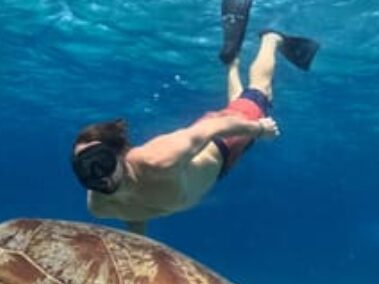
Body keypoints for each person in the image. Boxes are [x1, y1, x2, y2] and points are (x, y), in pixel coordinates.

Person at [70, 0, 319, 235]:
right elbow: (134, 213)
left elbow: (213, 127)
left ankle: (271, 38)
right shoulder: (101, 205)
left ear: (120, 153)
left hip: (224, 142)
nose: (98, 175)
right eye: (85, 169)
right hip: (217, 167)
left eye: (99, 161)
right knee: (238, 102)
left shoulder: (159, 160)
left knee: (260, 93)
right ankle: (231, 61)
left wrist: (258, 129)